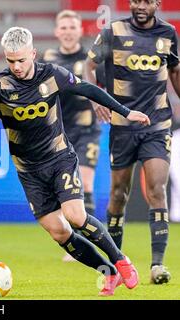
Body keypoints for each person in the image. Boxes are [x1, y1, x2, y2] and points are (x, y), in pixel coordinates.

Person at [0, 27, 150, 296]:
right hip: (29, 171)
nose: (17, 66)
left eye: (22, 60)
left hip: (59, 158)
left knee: (75, 215)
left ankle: (121, 260)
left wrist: (126, 112)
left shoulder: (53, 75)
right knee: (59, 233)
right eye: (11, 61)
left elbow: (89, 90)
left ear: (33, 54)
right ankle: (109, 273)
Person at [85, 0, 180, 284]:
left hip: (157, 124)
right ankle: (118, 263)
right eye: (136, 1)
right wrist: (95, 97)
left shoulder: (168, 34)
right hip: (123, 125)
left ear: (157, 4)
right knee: (118, 195)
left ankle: (157, 266)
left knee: (157, 190)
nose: (140, 6)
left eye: (147, 2)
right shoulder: (113, 31)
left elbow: (174, 71)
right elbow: (89, 66)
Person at [40, 10, 102, 262]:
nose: (67, 32)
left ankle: (87, 242)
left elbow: (102, 89)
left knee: (85, 184)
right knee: (62, 190)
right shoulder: (48, 58)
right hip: (58, 134)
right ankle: (73, 240)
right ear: (57, 32)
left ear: (80, 31)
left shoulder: (90, 60)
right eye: (63, 27)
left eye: (71, 27)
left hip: (86, 129)